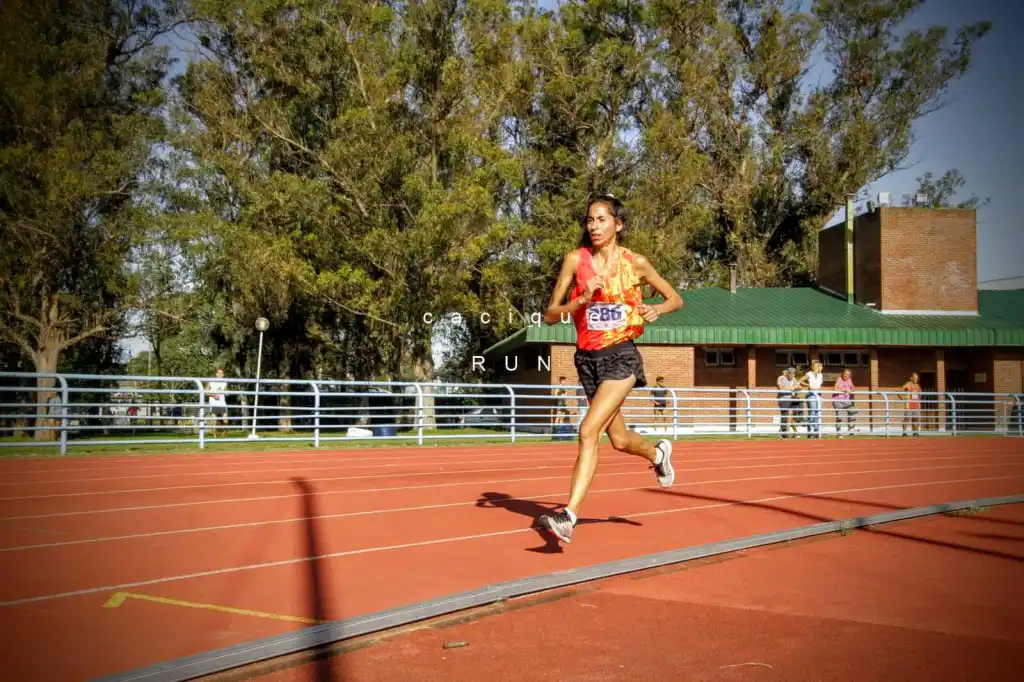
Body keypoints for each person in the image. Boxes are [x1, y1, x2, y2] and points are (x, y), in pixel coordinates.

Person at [535, 194, 683, 544]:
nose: (594, 226)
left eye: (601, 219)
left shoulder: (637, 263)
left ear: (619, 224)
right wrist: (581, 299)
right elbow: (550, 315)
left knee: (588, 431)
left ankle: (568, 516)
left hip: (621, 356)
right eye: (589, 220)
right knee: (618, 439)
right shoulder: (575, 261)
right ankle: (657, 452)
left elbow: (676, 299)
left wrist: (657, 310)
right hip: (587, 359)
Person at [799, 359, 825, 438]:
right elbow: (800, 380)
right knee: (812, 413)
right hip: (811, 394)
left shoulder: (821, 375)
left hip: (818, 394)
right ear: (813, 367)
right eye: (818, 366)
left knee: (818, 413)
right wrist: (808, 385)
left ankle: (816, 431)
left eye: (821, 366)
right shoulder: (809, 374)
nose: (820, 367)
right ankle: (811, 431)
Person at [832, 368, 856, 437]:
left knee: (853, 412)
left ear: (850, 376)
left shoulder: (849, 380)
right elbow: (835, 388)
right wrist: (844, 390)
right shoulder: (839, 379)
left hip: (846, 401)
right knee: (839, 415)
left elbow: (854, 388)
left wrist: (850, 390)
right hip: (838, 400)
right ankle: (839, 433)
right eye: (845, 373)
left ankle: (851, 430)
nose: (845, 375)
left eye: (847, 374)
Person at [776, 366, 799, 438]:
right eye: (791, 374)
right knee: (785, 416)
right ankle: (783, 432)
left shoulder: (794, 378)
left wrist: (794, 387)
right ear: (788, 373)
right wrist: (791, 388)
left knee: (792, 416)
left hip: (792, 399)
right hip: (784, 399)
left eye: (794, 374)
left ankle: (788, 431)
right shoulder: (781, 378)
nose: (793, 376)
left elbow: (799, 387)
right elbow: (781, 388)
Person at [206, 368, 228, 435]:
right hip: (213, 403)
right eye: (220, 373)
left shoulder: (225, 383)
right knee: (214, 421)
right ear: (216, 374)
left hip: (222, 403)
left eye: (222, 373)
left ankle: (224, 434)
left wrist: (226, 393)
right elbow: (206, 392)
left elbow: (226, 392)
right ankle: (214, 436)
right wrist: (213, 395)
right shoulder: (211, 381)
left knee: (225, 420)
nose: (221, 374)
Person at [901, 372, 922, 436]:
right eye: (915, 378)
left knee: (915, 418)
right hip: (909, 405)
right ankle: (904, 432)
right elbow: (901, 389)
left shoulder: (918, 386)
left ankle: (915, 432)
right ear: (911, 378)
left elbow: (920, 394)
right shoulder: (908, 384)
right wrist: (902, 397)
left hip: (916, 405)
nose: (916, 379)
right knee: (907, 418)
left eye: (917, 378)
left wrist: (919, 397)